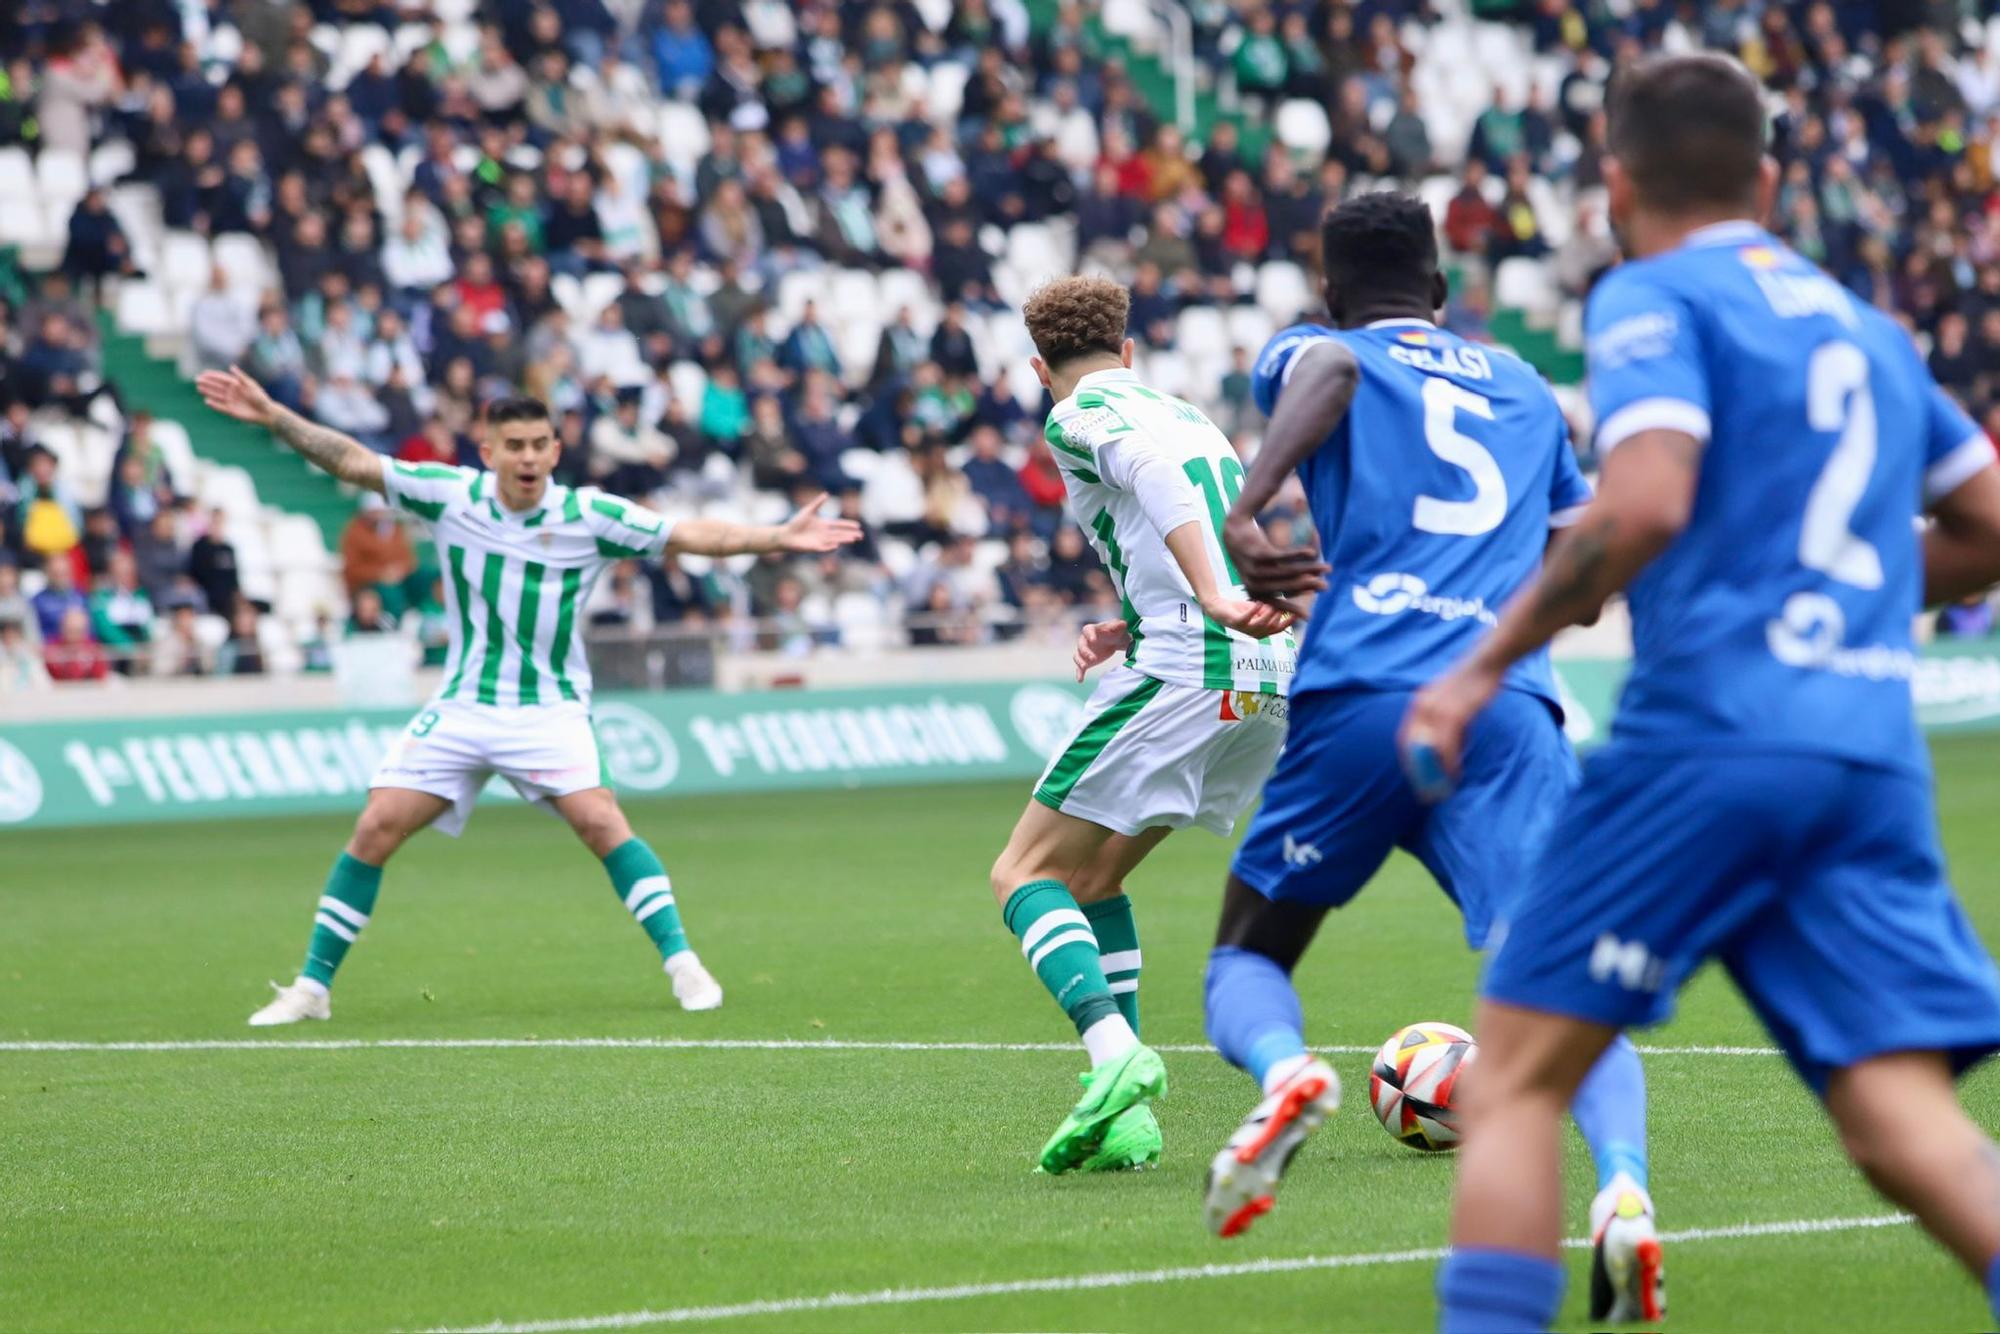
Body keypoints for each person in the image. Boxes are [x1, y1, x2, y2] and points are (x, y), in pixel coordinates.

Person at [1402, 55, 2000, 1333]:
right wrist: (1822, 597)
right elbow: (1987, 516)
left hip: (1709, 744)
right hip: (1863, 755)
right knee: (1900, 1121)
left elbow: (1643, 500)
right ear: (1771, 179)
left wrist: (1475, 666)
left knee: (1508, 1081)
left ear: (1613, 184)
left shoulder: (1650, 296)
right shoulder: (1868, 327)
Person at [1198, 190, 1657, 1320]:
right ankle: (1622, 1189)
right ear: (1443, 291)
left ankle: (1283, 1070)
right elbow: (1583, 566)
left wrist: (1250, 507)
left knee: (1246, 953)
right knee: (1563, 986)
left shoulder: (1317, 349)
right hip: (1502, 708)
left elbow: (1336, 378)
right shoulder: (1522, 386)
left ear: (1325, 287)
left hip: (1362, 691)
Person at [194, 367, 861, 1026]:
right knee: (375, 827)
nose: (529, 457)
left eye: (540, 444)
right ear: (488, 453)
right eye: (514, 445)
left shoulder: (589, 515)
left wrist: (775, 537)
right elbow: (357, 463)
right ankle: (313, 988)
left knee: (602, 822)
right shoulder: (449, 494)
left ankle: (683, 962)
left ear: (555, 450)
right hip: (464, 706)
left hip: (549, 709)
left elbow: (689, 534)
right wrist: (276, 416)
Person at [988, 276, 1299, 1175]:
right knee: (1092, 883)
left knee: (1021, 873)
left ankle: (1114, 1055)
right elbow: (1201, 503)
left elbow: (1155, 484)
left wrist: (1207, 598)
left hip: (1188, 667)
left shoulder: (1075, 414)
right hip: (1261, 682)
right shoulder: (1190, 415)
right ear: (1130, 351)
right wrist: (1137, 615)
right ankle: (1129, 1121)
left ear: (1041, 368)